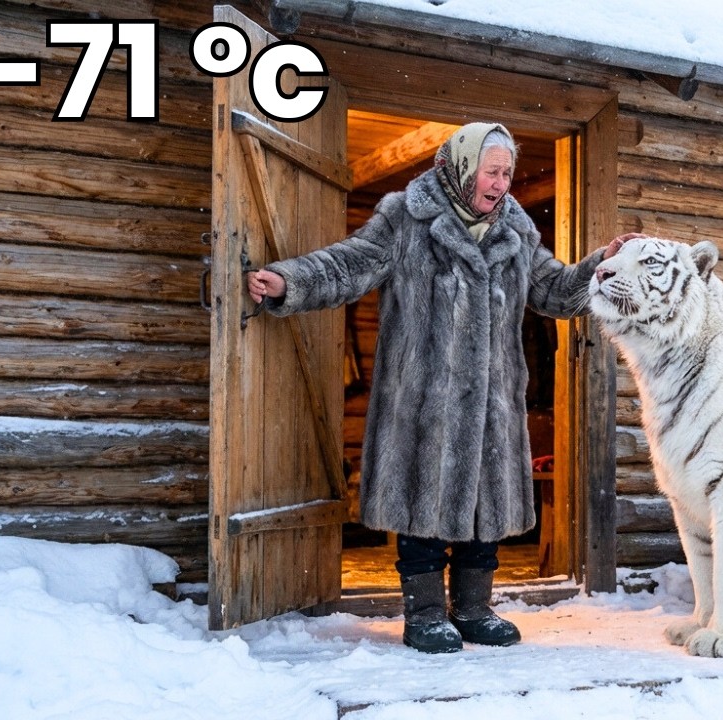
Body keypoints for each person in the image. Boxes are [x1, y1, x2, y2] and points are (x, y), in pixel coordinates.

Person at [246, 122, 639, 654]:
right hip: (422, 401)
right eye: (491, 171)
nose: (500, 183)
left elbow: (554, 290)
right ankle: (426, 614)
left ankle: (474, 609)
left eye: (507, 173)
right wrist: (289, 282)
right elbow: (350, 263)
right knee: (422, 513)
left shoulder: (515, 230)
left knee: (484, 516)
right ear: (461, 166)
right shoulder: (406, 218)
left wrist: (602, 266)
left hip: (492, 404)